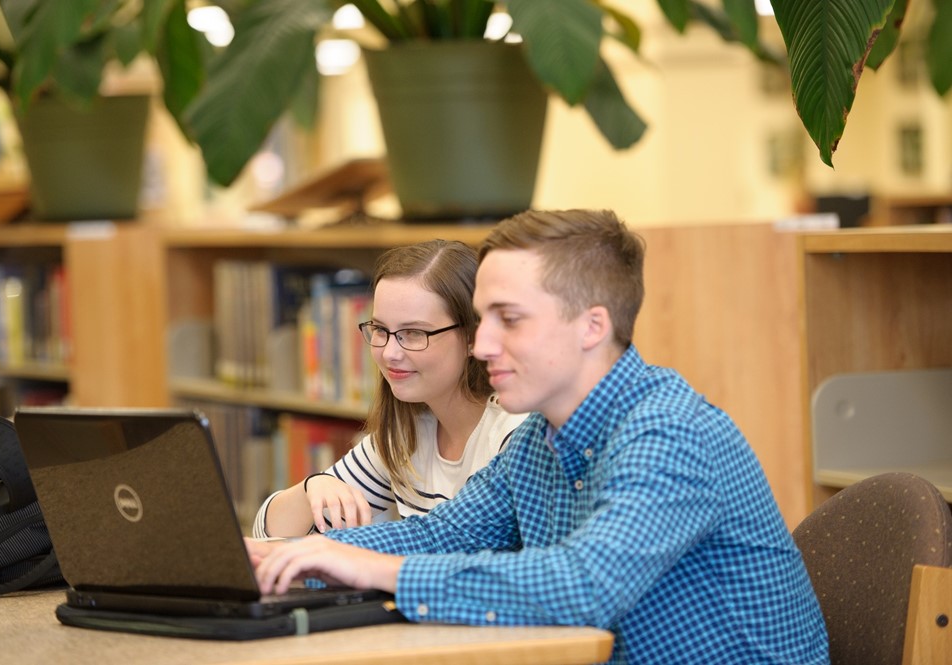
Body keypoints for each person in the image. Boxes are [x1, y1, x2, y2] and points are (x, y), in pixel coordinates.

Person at [246, 210, 829, 664]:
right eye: (482, 319)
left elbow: (582, 585)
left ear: (592, 326)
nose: (482, 345)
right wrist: (287, 559)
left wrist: (368, 567)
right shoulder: (540, 441)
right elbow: (443, 535)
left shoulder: (670, 433)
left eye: (510, 319)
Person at [253, 239, 528, 537]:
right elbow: (267, 538)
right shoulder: (403, 435)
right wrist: (311, 488)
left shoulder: (513, 434)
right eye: (381, 330)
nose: (389, 353)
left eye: (413, 333)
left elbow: (454, 549)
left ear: (474, 337)